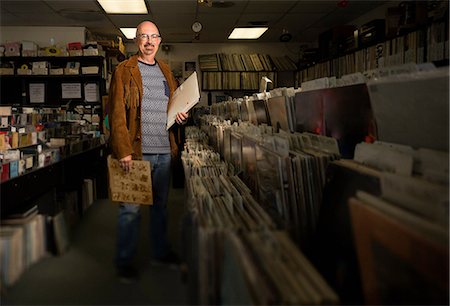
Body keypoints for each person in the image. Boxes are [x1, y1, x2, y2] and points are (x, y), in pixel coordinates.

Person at [108, 20, 189, 282]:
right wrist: (123, 151)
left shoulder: (167, 72)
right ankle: (123, 261)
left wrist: (181, 116)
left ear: (160, 40)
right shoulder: (124, 70)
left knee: (160, 208)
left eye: (154, 36)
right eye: (144, 36)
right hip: (136, 152)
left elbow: (174, 107)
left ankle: (160, 252)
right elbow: (117, 114)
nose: (149, 41)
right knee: (130, 210)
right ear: (136, 40)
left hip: (164, 151)